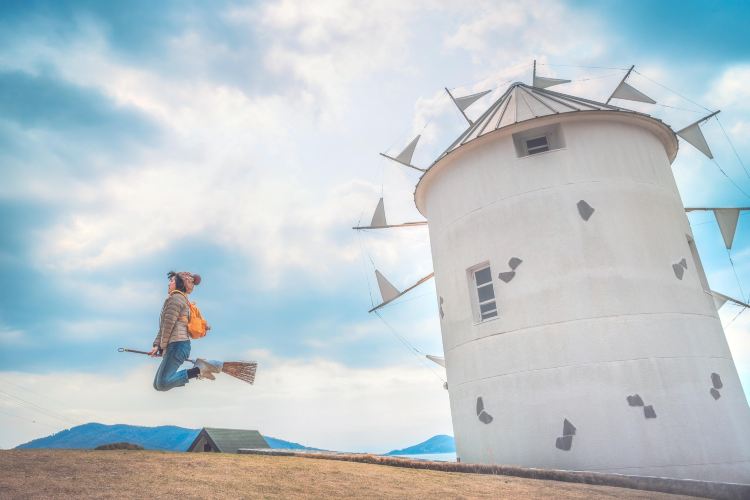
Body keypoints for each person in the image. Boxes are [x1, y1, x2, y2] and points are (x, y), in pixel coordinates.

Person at [150, 271, 218, 391]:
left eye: (171, 281)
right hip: (178, 345)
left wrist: (161, 347)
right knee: (157, 384)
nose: (168, 284)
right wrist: (157, 345)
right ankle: (199, 370)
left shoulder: (175, 299)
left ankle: (199, 369)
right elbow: (164, 326)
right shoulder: (178, 299)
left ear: (179, 283)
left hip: (177, 345)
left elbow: (167, 327)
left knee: (162, 383)